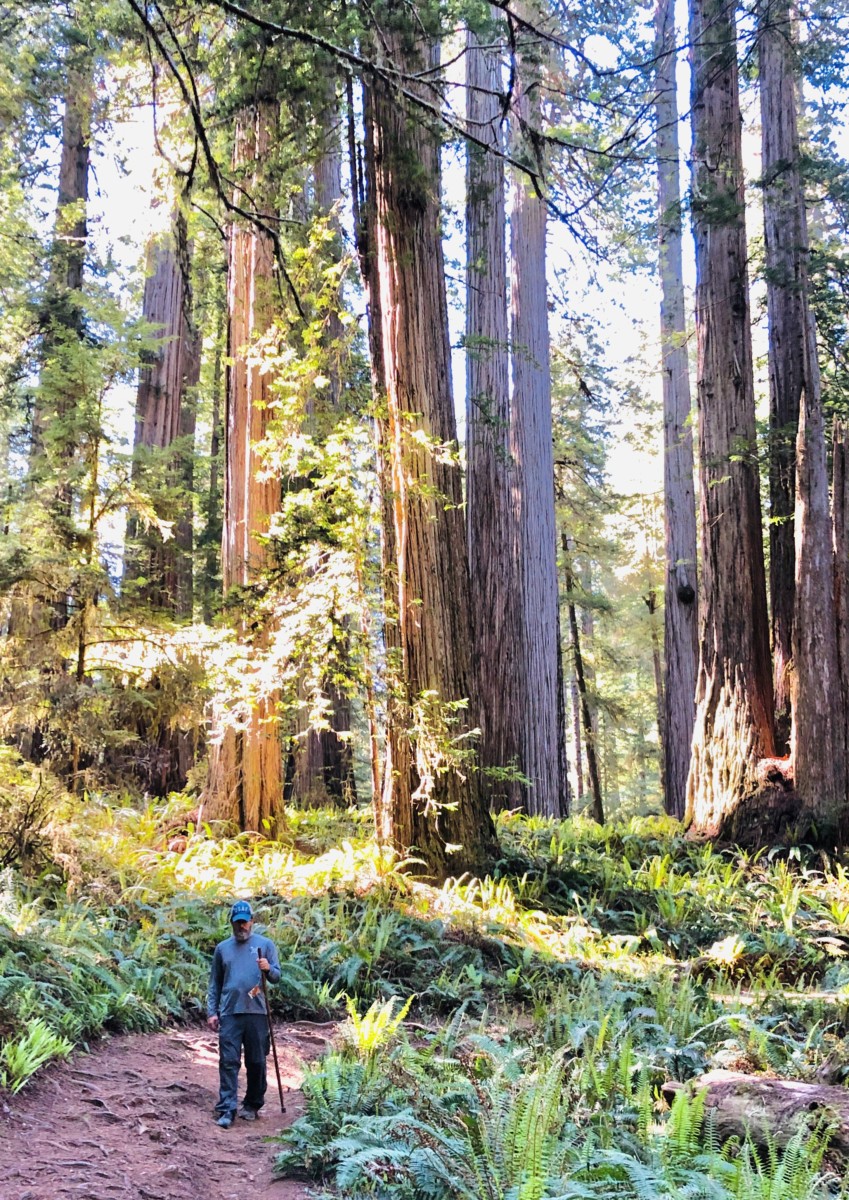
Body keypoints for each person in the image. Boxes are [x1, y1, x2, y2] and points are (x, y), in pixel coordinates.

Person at [207, 899, 281, 1128]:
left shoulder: (265, 945)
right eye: (238, 923)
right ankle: (227, 1108)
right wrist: (212, 1011)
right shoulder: (222, 949)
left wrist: (268, 968)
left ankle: (252, 1104)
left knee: (257, 1061)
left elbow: (277, 977)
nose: (242, 927)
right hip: (230, 1012)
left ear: (252, 921)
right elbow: (214, 983)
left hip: (257, 1012)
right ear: (231, 923)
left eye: (245, 922)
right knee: (228, 1061)